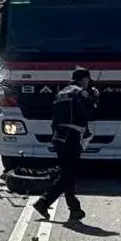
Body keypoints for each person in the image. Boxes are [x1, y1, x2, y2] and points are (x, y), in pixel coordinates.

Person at [33, 67, 98, 223]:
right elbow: (86, 109)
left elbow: (55, 117)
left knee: (67, 172)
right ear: (84, 79)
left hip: (59, 136)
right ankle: (44, 202)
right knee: (68, 173)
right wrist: (94, 97)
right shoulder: (79, 92)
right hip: (71, 136)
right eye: (87, 79)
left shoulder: (62, 93)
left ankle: (74, 209)